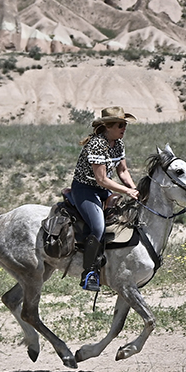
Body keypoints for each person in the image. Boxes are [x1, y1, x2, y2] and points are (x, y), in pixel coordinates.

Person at [70, 106, 141, 291]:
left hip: (103, 190)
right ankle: (89, 273)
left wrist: (135, 190)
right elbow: (101, 179)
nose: (124, 128)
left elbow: (123, 171)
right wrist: (127, 192)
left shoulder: (118, 143)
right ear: (108, 126)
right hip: (85, 190)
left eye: (124, 125)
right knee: (98, 226)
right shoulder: (96, 144)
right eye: (120, 125)